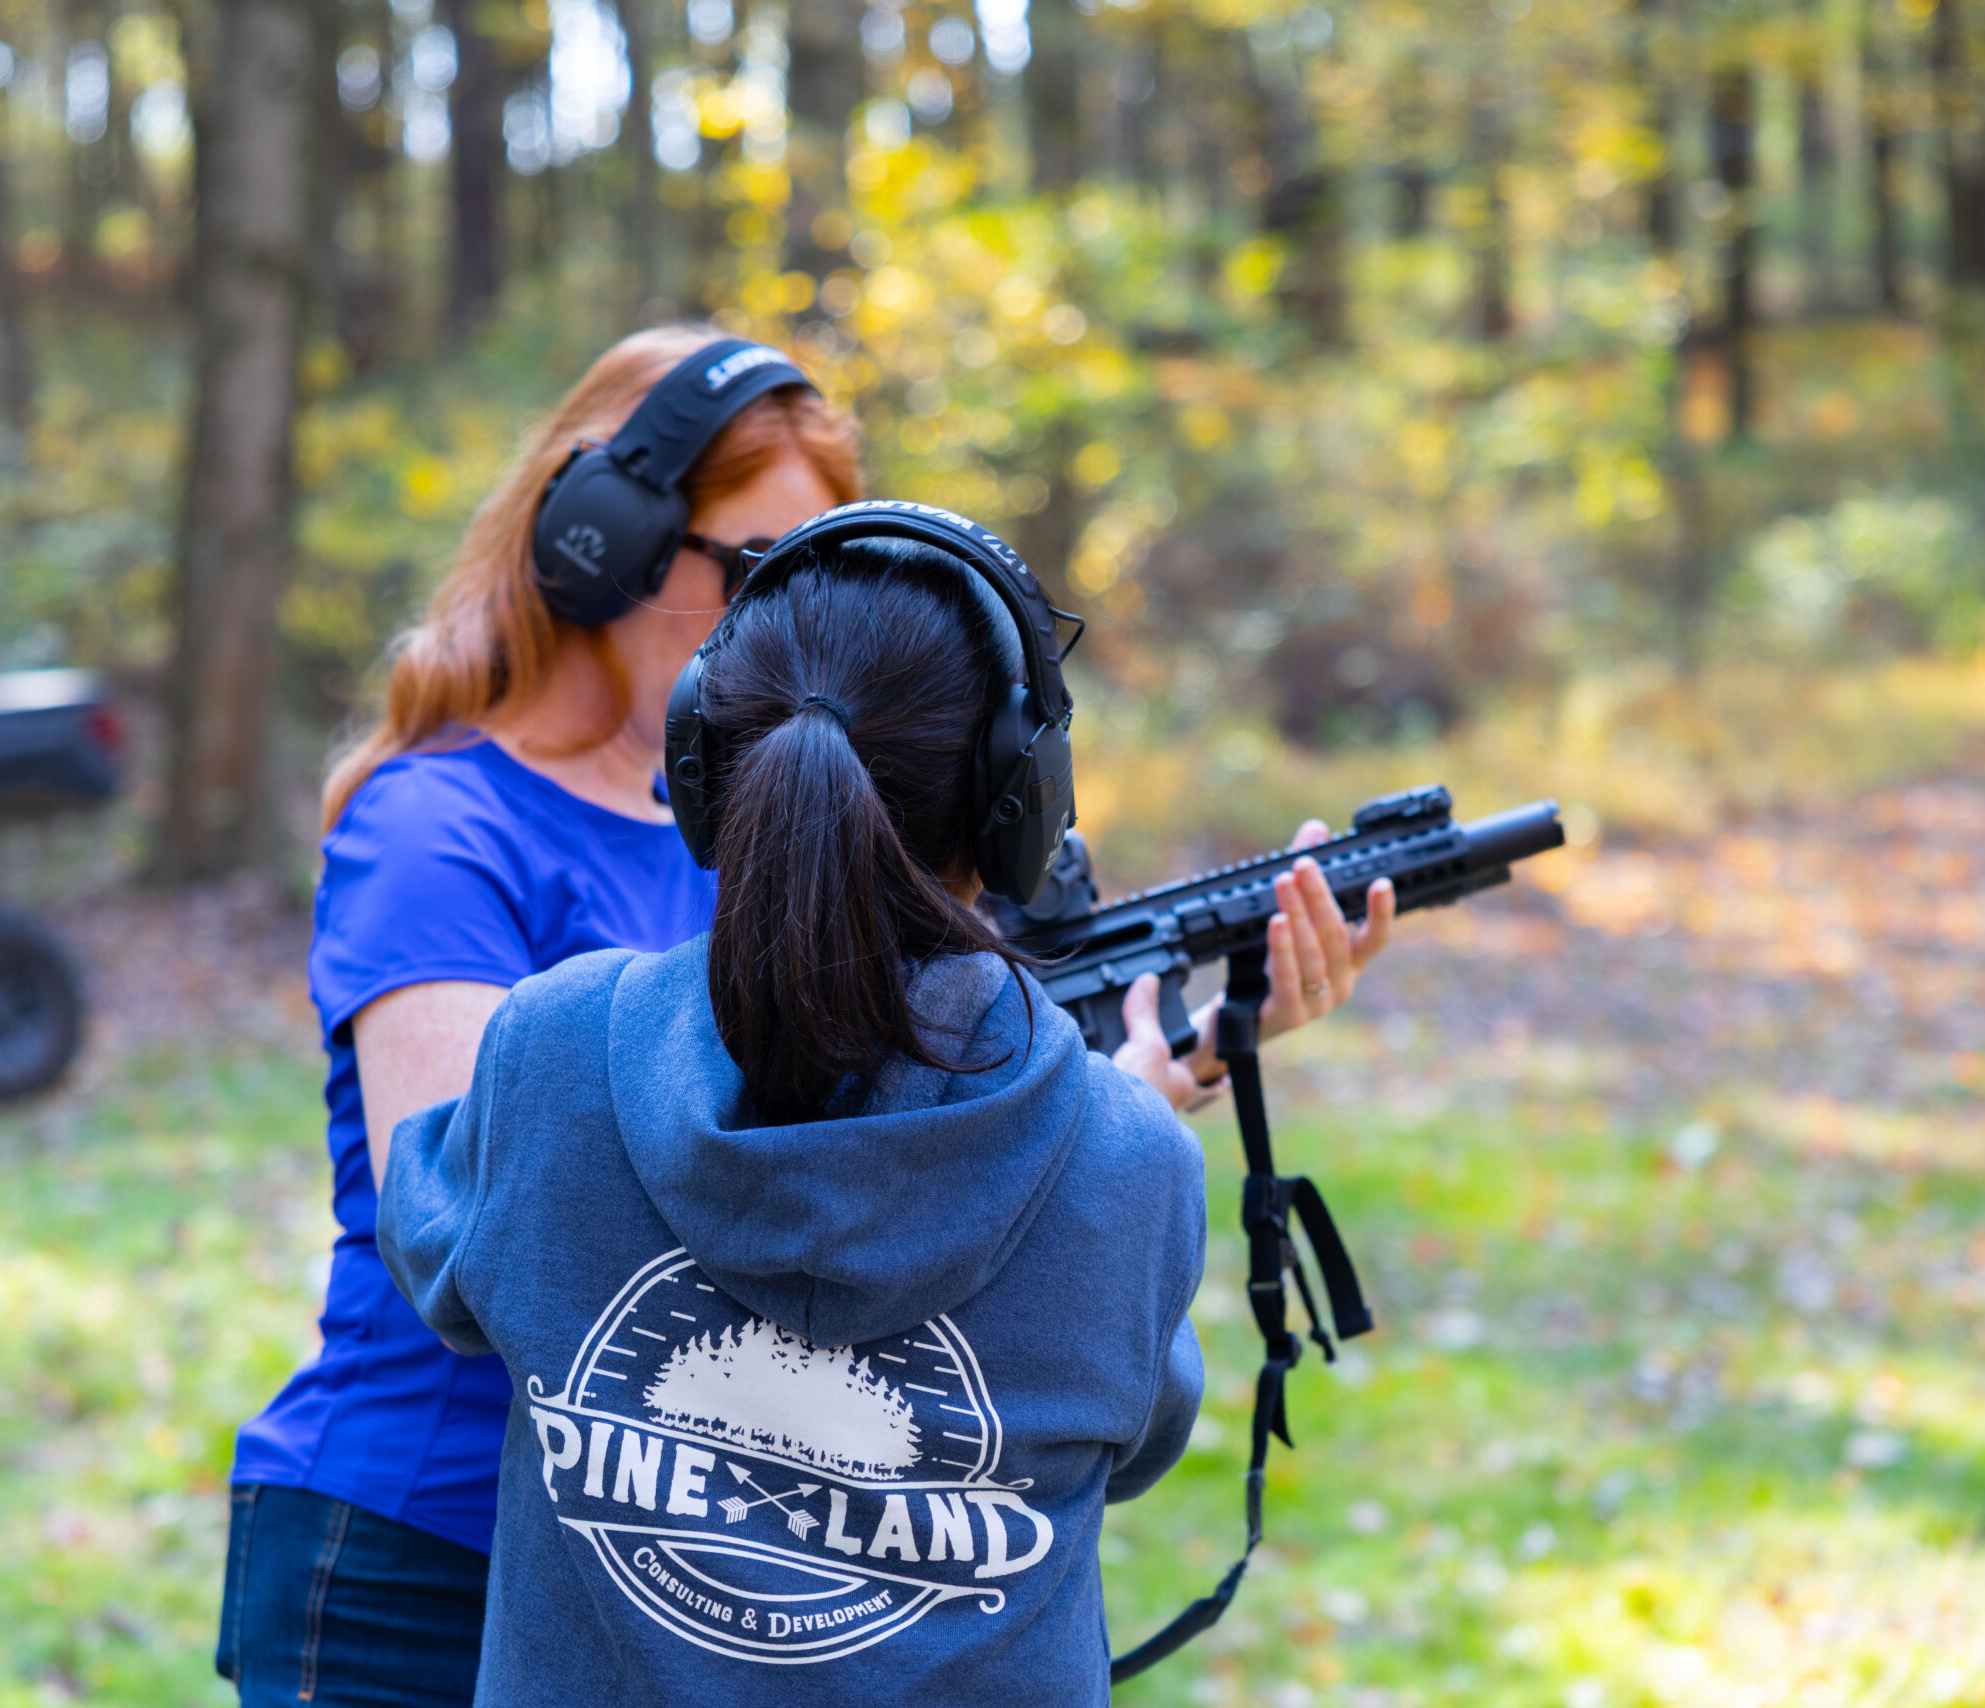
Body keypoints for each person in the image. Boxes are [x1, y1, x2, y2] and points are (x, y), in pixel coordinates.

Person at [218, 327, 1390, 1706]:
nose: (798, 614)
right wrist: (1093, 1137)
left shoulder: (781, 844)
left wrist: (1098, 1097)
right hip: (435, 1539)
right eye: (762, 568)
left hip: (747, 1542)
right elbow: (468, 1206)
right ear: (607, 545)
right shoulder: (443, 832)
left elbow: (871, 1143)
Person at [373, 518, 1216, 1705]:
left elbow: (434, 1243)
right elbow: (1138, 1436)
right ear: (1018, 801)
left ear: (704, 766)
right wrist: (1104, 1126)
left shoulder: (556, 1052)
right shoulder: (1129, 1159)